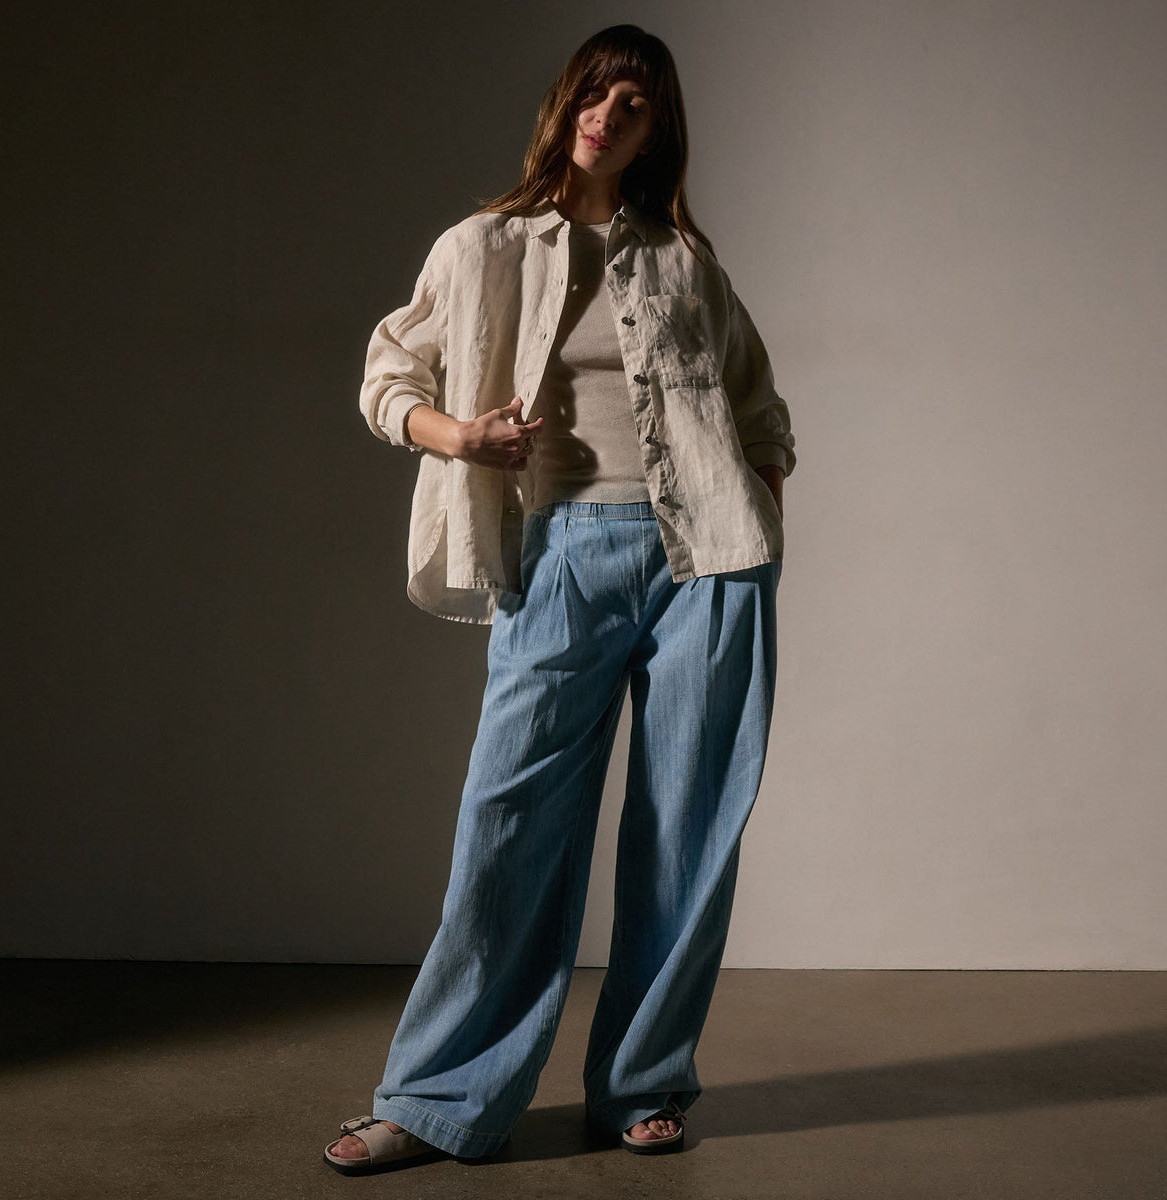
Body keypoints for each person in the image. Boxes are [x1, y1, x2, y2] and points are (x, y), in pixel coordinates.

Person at [324, 23, 796, 1176]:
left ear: (655, 130)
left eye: (634, 102)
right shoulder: (482, 245)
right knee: (511, 827)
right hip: (562, 555)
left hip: (708, 565)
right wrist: (461, 438)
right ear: (566, 103)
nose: (609, 113)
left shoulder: (683, 261)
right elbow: (389, 376)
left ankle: (643, 1081)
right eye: (596, 91)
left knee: (688, 831)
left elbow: (757, 407)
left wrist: (758, 502)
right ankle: (437, 1099)